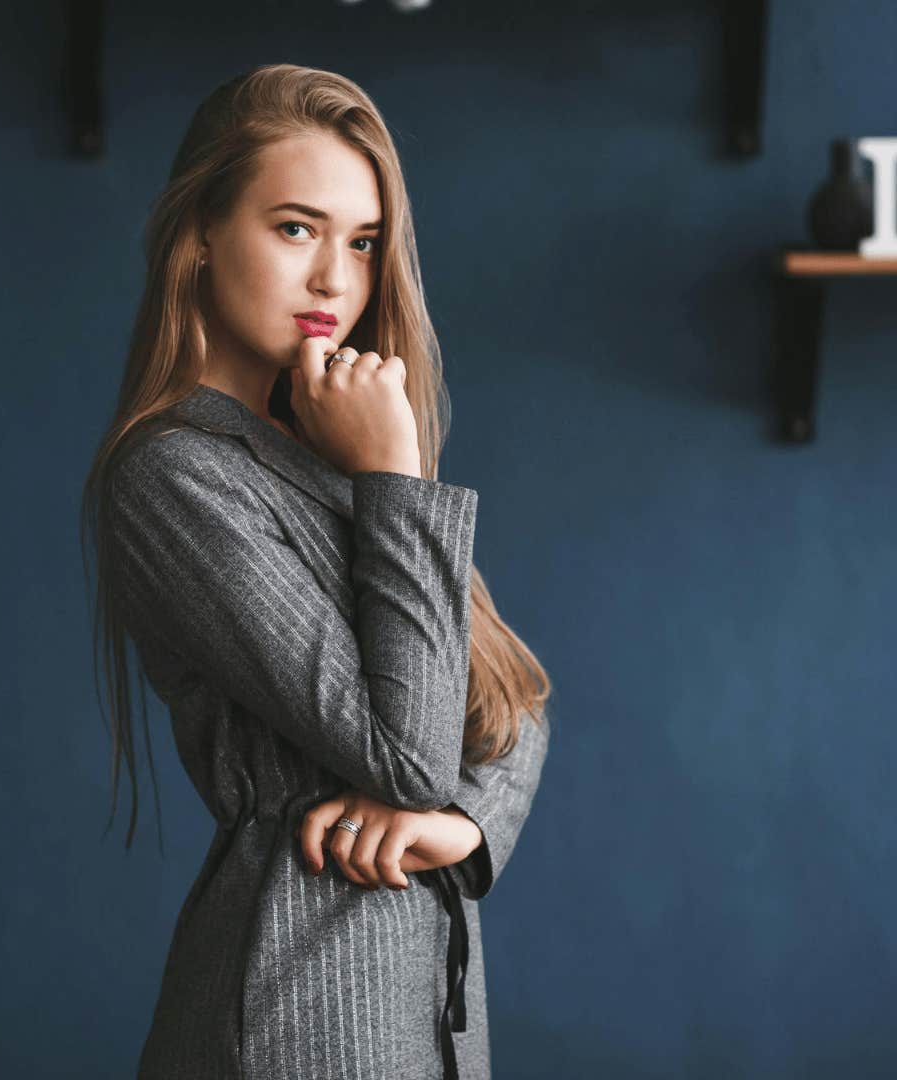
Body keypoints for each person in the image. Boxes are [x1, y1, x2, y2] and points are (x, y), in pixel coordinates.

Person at [80, 62, 553, 1080]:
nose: (336, 280)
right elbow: (409, 750)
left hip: (424, 1013)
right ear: (199, 235)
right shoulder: (171, 475)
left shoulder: (327, 458)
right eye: (296, 228)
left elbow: (514, 707)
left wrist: (453, 833)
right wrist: (393, 473)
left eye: (364, 242)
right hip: (300, 1018)